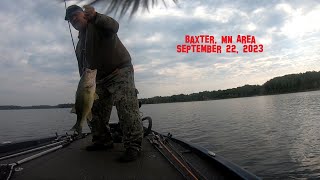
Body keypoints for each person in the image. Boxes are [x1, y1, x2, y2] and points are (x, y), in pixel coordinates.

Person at [65, 4, 143, 162]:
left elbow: (114, 26)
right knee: (91, 110)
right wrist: (82, 88)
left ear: (84, 14)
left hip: (119, 72)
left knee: (126, 107)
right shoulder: (80, 44)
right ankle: (102, 141)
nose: (73, 19)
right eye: (70, 19)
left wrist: (95, 16)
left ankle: (133, 146)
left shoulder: (98, 24)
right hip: (97, 80)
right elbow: (83, 68)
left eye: (75, 15)